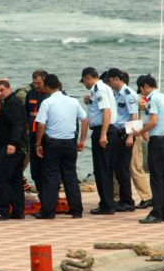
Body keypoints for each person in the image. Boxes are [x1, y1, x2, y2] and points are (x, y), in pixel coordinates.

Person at [33, 74, 89, 219]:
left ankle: (49, 211)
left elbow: (41, 124)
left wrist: (38, 143)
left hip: (53, 143)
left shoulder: (47, 102)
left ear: (47, 87)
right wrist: (82, 139)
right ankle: (76, 210)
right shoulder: (73, 101)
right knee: (70, 176)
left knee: (51, 177)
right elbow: (84, 119)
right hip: (70, 142)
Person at [133, 74, 164, 224]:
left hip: (157, 141)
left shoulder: (153, 99)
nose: (141, 93)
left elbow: (154, 121)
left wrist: (141, 131)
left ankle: (156, 212)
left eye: (141, 89)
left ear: (145, 86)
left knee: (156, 179)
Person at [0, 79, 28, 221]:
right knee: (15, 180)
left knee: (2, 178)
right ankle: (18, 211)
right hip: (17, 146)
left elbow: (18, 124)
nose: (0, 93)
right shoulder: (11, 102)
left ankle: (3, 211)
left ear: (10, 89)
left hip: (12, 147)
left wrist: (12, 143)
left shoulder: (12, 104)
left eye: (2, 90)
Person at [80, 67, 118, 215]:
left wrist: (103, 134)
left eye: (84, 81)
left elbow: (106, 111)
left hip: (104, 130)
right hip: (106, 129)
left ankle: (107, 205)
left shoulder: (99, 88)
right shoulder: (101, 88)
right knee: (104, 168)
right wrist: (90, 102)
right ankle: (107, 202)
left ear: (88, 78)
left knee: (102, 169)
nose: (84, 84)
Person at [106, 68, 139, 212]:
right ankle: (123, 199)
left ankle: (128, 201)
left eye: (110, 80)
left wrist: (131, 136)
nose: (109, 83)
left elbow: (134, 115)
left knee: (123, 169)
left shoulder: (128, 94)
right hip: (117, 133)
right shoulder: (116, 94)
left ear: (115, 79)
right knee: (118, 169)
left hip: (125, 134)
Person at [121, 70, 152, 209]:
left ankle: (147, 196)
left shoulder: (135, 97)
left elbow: (147, 109)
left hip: (133, 132)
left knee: (135, 166)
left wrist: (143, 131)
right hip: (125, 132)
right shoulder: (117, 96)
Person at [24, 70, 48, 198]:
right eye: (34, 83)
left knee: (47, 168)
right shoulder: (31, 94)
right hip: (32, 135)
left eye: (39, 83)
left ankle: (49, 196)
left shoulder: (51, 95)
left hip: (47, 136)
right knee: (35, 169)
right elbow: (26, 113)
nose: (36, 85)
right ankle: (41, 194)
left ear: (45, 81)